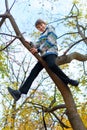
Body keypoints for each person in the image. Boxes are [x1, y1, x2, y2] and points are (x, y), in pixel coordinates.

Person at [8, 19, 79, 101]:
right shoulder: (41, 36)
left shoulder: (50, 28)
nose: (41, 28)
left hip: (51, 52)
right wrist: (30, 43)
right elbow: (38, 44)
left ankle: (68, 80)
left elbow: (51, 40)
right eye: (38, 27)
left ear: (45, 24)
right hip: (43, 56)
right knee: (33, 72)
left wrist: (38, 50)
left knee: (51, 65)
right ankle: (19, 93)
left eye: (41, 25)